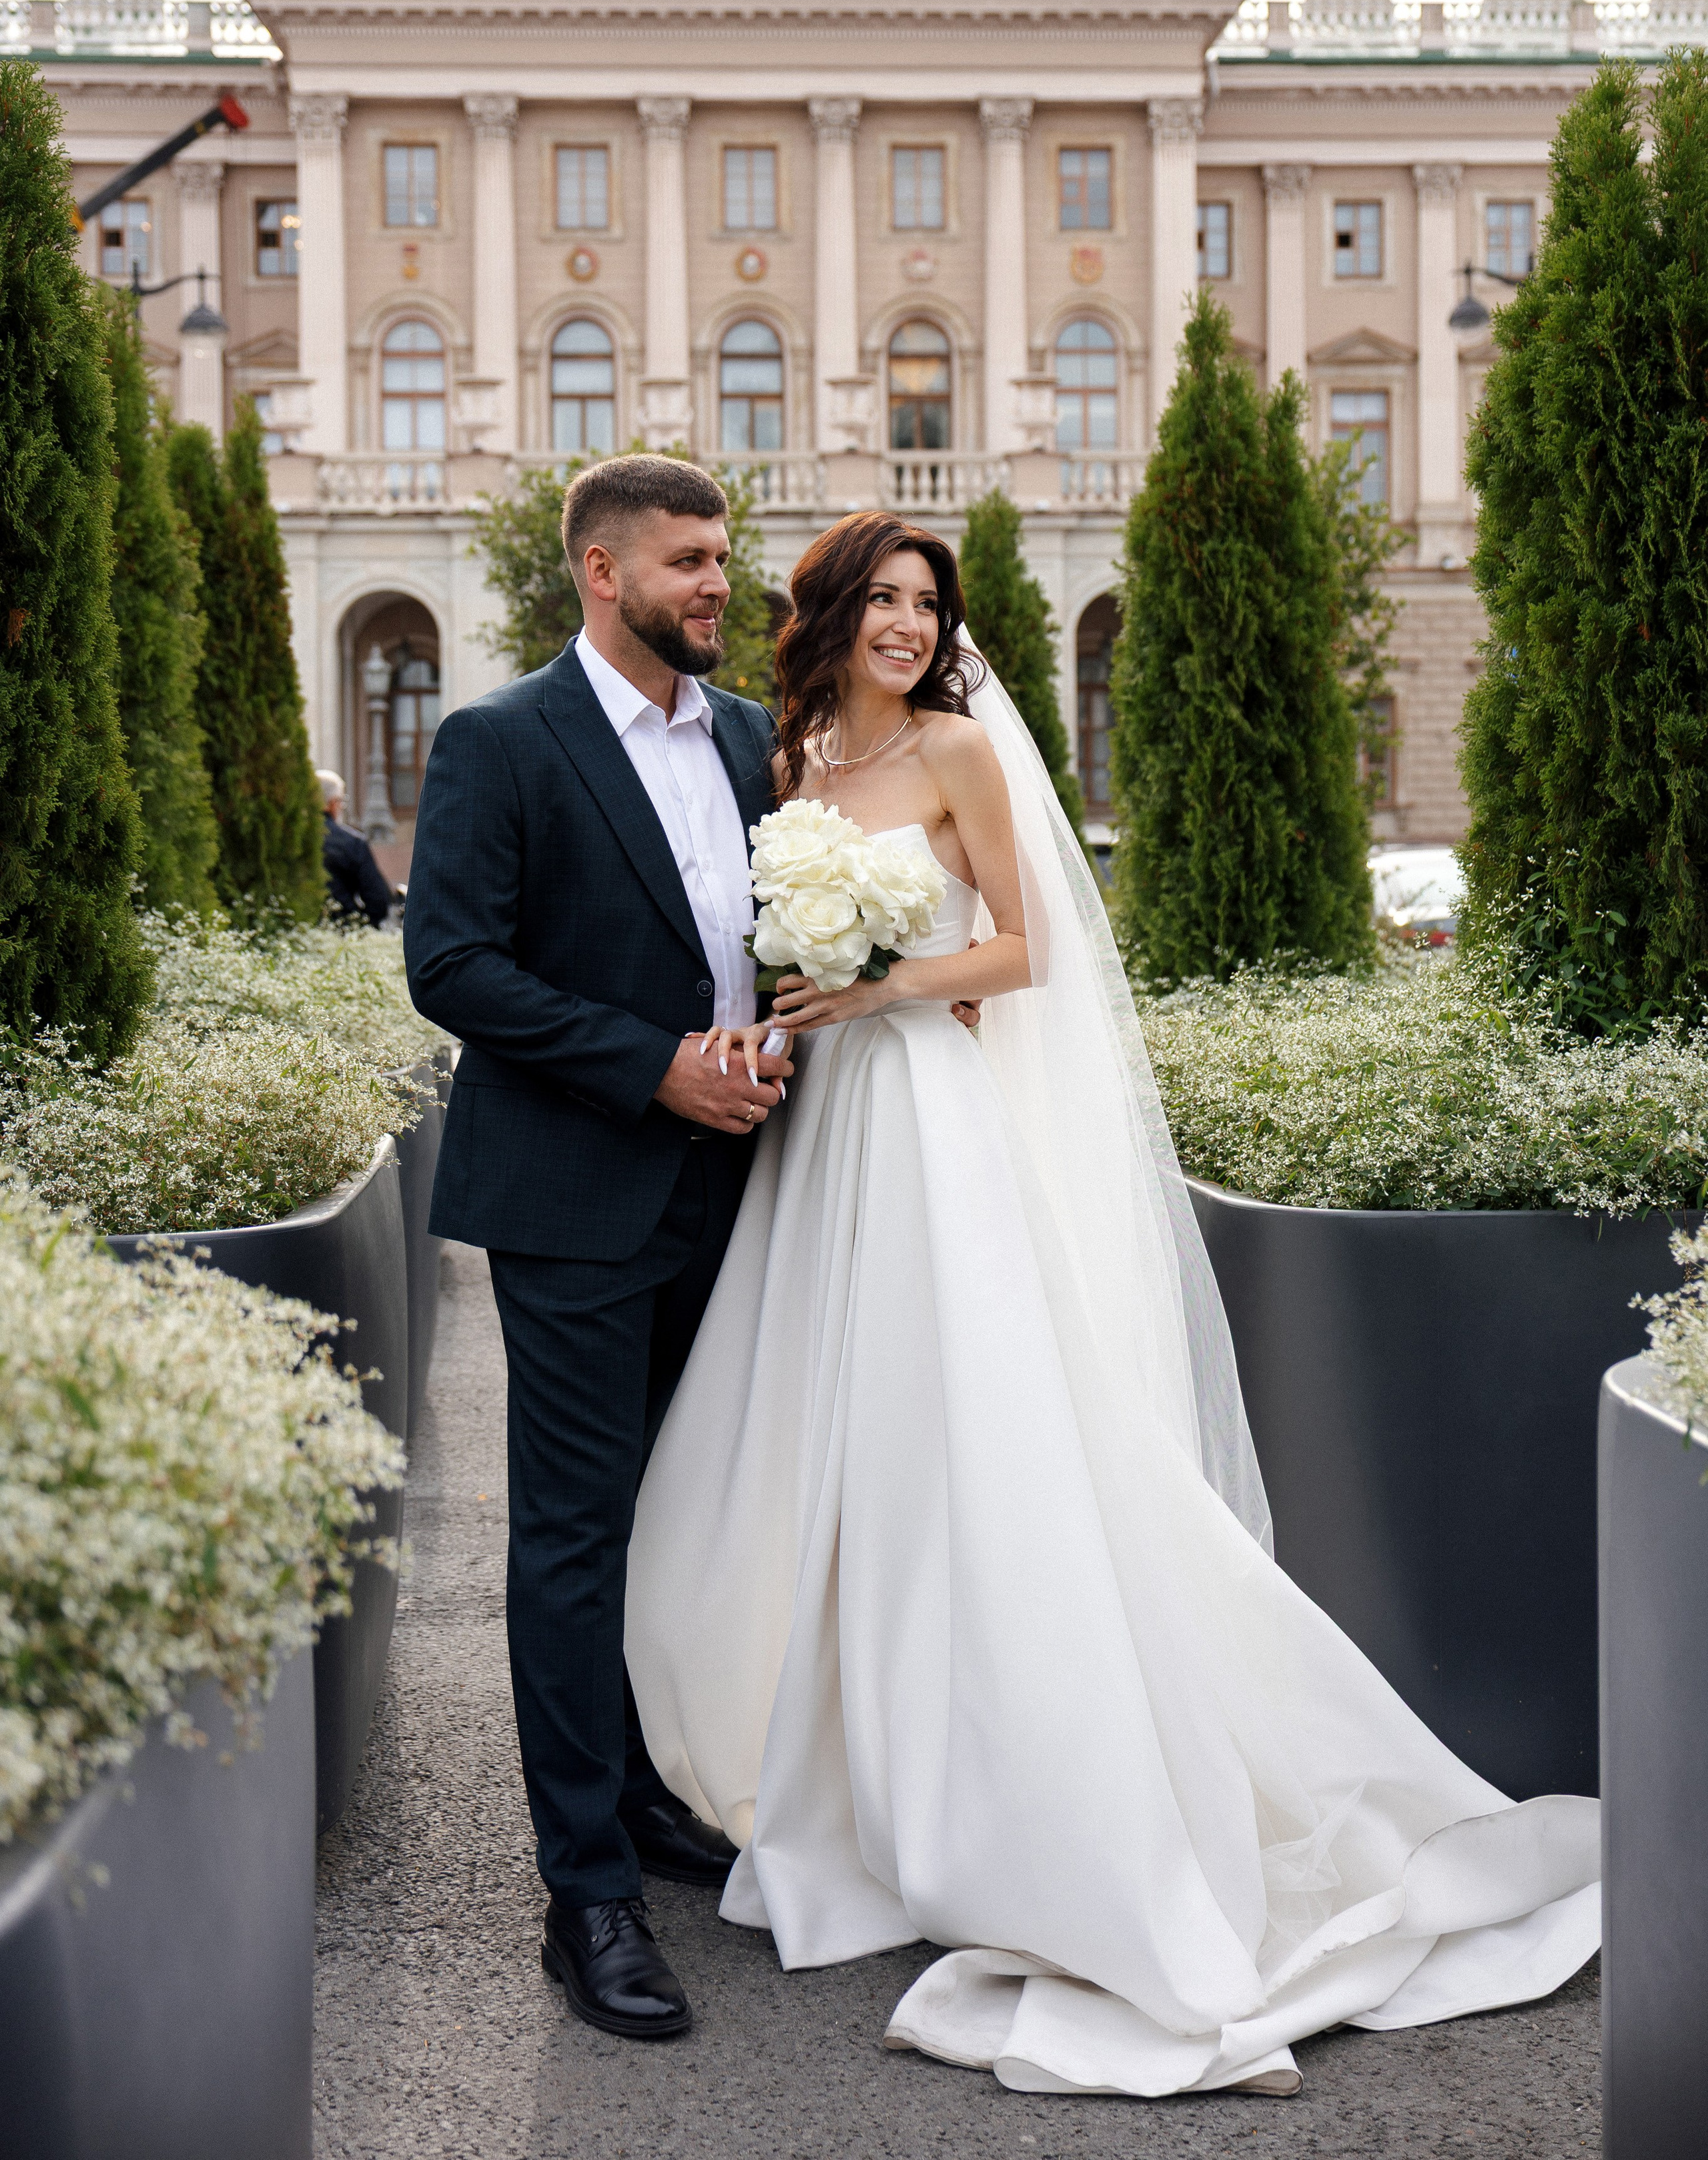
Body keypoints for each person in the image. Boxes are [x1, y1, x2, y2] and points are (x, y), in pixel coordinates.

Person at [624, 511, 1599, 2101]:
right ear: (830, 611)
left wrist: (873, 981)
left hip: (929, 1115)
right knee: (826, 1438)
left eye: (923, 603)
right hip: (825, 1136)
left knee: (962, 1436)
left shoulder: (956, 748)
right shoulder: (791, 753)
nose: (903, 623)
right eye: (879, 597)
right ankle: (847, 1777)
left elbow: (1016, 954)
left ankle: (1007, 1786)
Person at [404, 458, 792, 2043]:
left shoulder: (755, 739)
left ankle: (636, 1795)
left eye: (722, 558)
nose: (716, 583)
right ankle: (585, 1891)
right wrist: (653, 1062)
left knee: (675, 1512)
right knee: (571, 1541)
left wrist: (789, 1037)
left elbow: (774, 939)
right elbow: (451, 964)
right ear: (599, 569)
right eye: (687, 561)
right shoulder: (500, 740)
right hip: (574, 1198)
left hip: (735, 1189)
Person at [318, 771, 394, 928]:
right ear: (333, 803)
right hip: (342, 930)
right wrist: (360, 924)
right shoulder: (352, 843)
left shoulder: (287, 838)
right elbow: (378, 899)